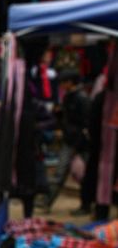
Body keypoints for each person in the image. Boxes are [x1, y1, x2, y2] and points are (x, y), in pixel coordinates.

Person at [49, 69, 91, 211]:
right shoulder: (70, 97)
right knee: (61, 172)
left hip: (80, 142)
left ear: (69, 83)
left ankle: (85, 205)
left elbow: (86, 121)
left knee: (80, 174)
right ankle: (48, 202)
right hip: (71, 139)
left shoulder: (81, 98)